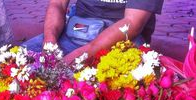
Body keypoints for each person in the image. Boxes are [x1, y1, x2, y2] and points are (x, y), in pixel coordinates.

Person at [24, 0, 164, 64]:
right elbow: (57, 4)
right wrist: (49, 42)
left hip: (122, 39)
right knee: (12, 62)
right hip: (78, 29)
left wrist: (81, 55)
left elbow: (132, 23)